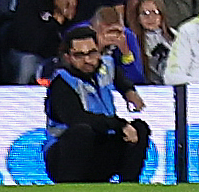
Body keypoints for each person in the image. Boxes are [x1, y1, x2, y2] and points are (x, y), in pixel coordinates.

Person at [42, 20, 152, 183]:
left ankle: (129, 186)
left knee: (139, 129)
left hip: (101, 144)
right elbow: (77, 118)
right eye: (80, 55)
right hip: (66, 154)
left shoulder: (105, 66)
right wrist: (119, 124)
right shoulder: (61, 83)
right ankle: (71, 186)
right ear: (68, 57)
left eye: (92, 53)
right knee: (82, 131)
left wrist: (129, 91)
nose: (88, 60)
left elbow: (119, 78)